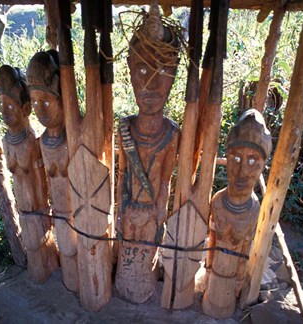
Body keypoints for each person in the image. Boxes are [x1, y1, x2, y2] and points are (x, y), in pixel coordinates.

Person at [115, 4, 181, 303]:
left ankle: (142, 288)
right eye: (141, 68)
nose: (151, 83)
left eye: (162, 70)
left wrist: (159, 211)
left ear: (175, 74)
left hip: (151, 214)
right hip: (130, 210)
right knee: (128, 256)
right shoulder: (125, 128)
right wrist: (120, 207)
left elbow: (166, 178)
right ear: (129, 71)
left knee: (145, 261)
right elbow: (122, 173)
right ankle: (125, 285)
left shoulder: (171, 134)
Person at [202, 109, 272, 318]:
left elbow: (246, 251)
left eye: (252, 161)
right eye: (235, 158)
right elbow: (211, 242)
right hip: (212, 281)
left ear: (262, 166)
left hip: (232, 286)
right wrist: (207, 271)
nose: (242, 172)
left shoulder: (254, 209)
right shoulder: (217, 201)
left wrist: (238, 285)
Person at [0, 65, 59, 283]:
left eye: (10, 107)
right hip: (23, 205)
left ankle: (48, 267)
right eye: (2, 106)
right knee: (32, 247)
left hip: (37, 204)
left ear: (24, 109)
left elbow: (38, 172)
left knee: (42, 243)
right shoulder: (5, 140)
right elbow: (14, 168)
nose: (5, 113)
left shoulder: (32, 141)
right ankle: (38, 270)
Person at [26, 51, 79, 292]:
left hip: (79, 215)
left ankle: (77, 283)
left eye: (45, 102)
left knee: (75, 252)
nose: (39, 109)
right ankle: (66, 280)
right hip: (55, 212)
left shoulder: (77, 137)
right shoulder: (40, 140)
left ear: (62, 99)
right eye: (34, 102)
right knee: (61, 250)